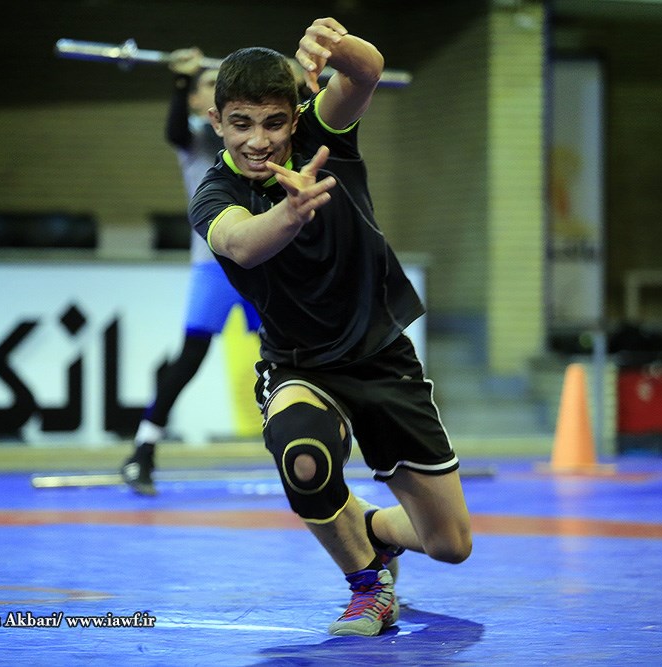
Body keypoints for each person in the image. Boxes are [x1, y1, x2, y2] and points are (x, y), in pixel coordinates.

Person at [188, 18, 472, 636]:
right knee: (304, 458)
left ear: (295, 117)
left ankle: (369, 526)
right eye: (241, 124)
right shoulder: (215, 192)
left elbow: (367, 71)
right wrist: (290, 213)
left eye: (273, 123)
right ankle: (368, 587)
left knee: (450, 544)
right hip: (299, 365)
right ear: (216, 122)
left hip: (380, 354)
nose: (258, 141)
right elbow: (241, 244)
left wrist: (337, 45)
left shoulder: (324, 134)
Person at [120, 49, 262, 496]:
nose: (213, 90)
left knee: (285, 356)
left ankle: (308, 446)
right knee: (189, 359)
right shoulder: (198, 138)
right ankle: (143, 450)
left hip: (263, 263)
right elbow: (174, 130)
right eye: (205, 85)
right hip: (214, 267)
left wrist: (299, 86)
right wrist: (179, 83)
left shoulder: (254, 136)